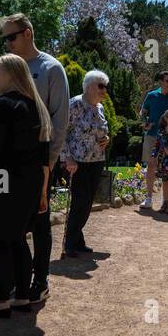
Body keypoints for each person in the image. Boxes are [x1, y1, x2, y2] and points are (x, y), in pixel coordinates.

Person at [0, 13, 68, 305]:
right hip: (4, 165)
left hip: (36, 162)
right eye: (4, 39)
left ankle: (38, 282)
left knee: (38, 222)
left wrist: (48, 164)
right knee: (9, 227)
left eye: (11, 37)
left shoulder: (51, 69)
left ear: (27, 33)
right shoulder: (4, 69)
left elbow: (58, 121)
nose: (7, 43)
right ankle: (16, 287)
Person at [0, 54, 51, 318]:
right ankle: (22, 297)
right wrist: (42, 192)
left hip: (4, 181)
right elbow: (44, 160)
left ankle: (1, 300)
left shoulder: (2, 106)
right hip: (30, 183)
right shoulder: (36, 107)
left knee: (1, 239)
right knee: (18, 239)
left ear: (12, 75)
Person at [59, 70, 110, 258]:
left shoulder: (100, 107)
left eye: (106, 87)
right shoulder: (75, 104)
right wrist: (67, 158)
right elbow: (60, 132)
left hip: (96, 160)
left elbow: (101, 130)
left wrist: (107, 139)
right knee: (80, 202)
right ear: (89, 86)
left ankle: (77, 242)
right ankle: (70, 243)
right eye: (101, 86)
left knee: (87, 203)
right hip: (76, 162)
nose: (104, 91)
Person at [140, 70, 168, 210]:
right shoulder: (151, 96)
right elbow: (143, 112)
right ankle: (148, 198)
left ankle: (167, 202)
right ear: (161, 81)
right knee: (151, 165)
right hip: (153, 135)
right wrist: (144, 122)